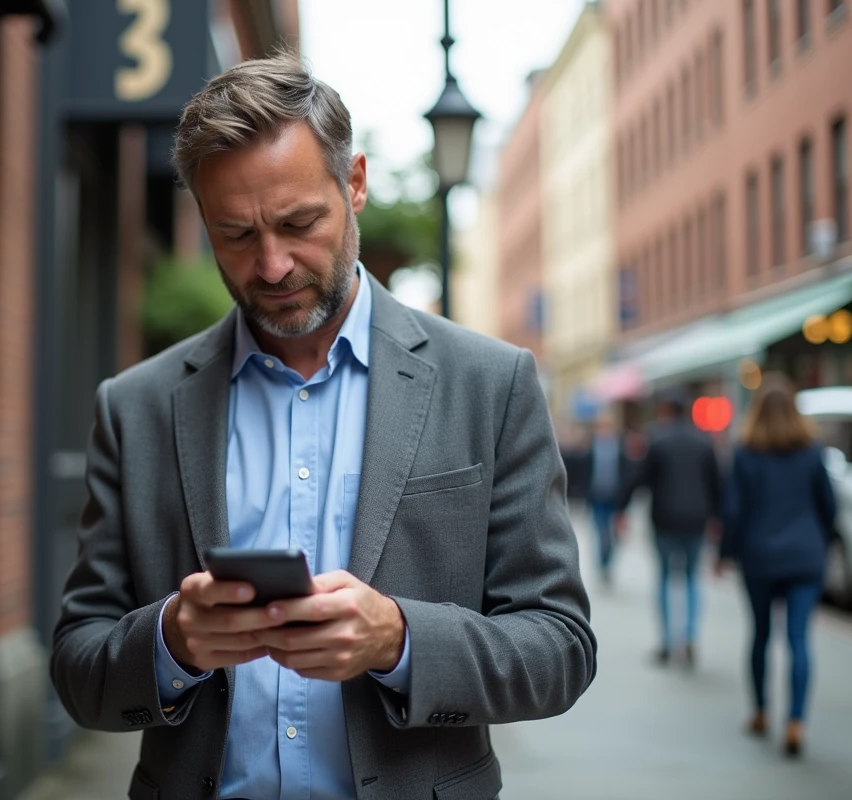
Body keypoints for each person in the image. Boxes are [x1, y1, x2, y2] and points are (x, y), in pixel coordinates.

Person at [50, 54, 596, 800]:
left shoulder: (489, 385)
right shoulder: (136, 407)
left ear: (357, 183)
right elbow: (79, 668)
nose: (271, 265)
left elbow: (560, 648)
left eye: (298, 222)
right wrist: (173, 640)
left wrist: (399, 640)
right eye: (235, 235)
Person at [716, 374, 837, 758]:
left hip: (760, 557)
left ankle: (761, 712)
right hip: (805, 556)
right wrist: (823, 541)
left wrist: (724, 553)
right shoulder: (811, 450)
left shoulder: (746, 452)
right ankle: (797, 720)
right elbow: (828, 506)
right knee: (800, 639)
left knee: (761, 636)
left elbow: (733, 511)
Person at [617, 390, 721, 666]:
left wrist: (621, 509)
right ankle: (688, 636)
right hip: (696, 520)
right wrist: (717, 519)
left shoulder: (657, 439)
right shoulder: (704, 441)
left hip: (664, 519)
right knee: (690, 578)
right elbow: (717, 484)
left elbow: (639, 478)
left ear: (666, 410)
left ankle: (665, 641)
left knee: (664, 577)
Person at [582, 412, 631, 584]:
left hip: (614, 497)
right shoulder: (592, 446)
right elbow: (584, 470)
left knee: (612, 535)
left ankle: (608, 561)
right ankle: (602, 564)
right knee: (601, 531)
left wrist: (625, 500)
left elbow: (626, 473)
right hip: (596, 496)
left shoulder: (620, 447)